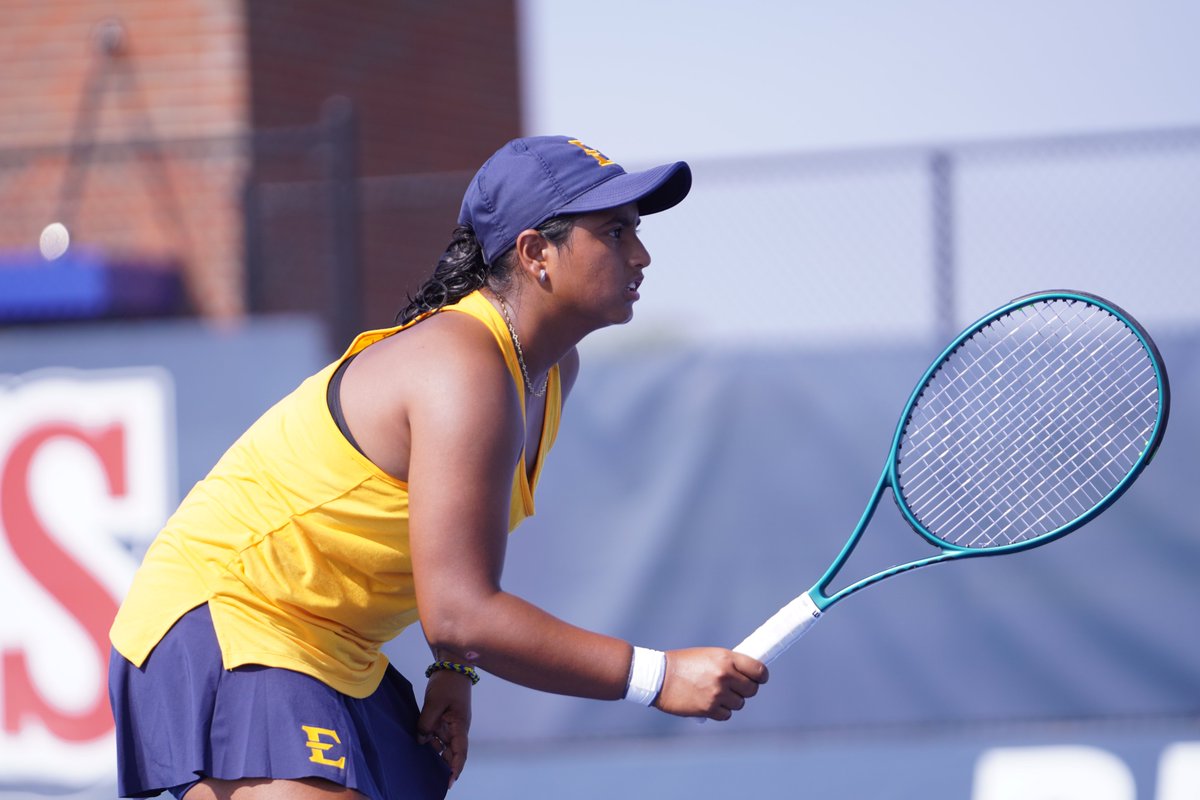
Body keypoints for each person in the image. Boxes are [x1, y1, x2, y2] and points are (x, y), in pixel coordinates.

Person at [108, 135, 769, 800]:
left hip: (334, 648)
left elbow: (466, 556)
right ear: (536, 253)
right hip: (230, 621)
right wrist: (656, 678)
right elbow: (460, 611)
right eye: (616, 231)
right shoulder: (464, 366)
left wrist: (454, 670)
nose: (642, 253)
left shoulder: (549, 371)